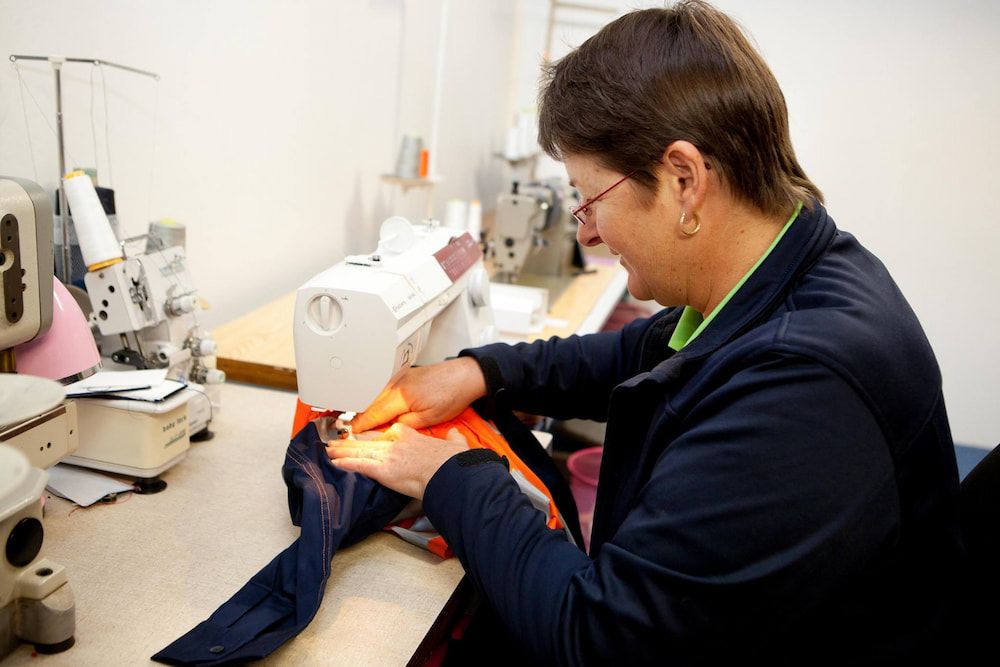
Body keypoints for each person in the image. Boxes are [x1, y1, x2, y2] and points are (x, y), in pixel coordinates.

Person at [328, 2, 964, 663]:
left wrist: (454, 476)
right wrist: (480, 371)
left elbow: (598, 639)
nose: (586, 234)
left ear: (683, 180)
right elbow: (640, 352)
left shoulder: (803, 388)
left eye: (590, 200)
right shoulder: (789, 270)